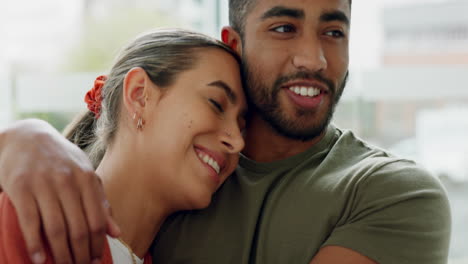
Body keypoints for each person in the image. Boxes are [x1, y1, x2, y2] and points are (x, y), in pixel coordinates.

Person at [0, 0, 451, 263]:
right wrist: (20, 139)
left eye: (334, 31)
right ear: (235, 45)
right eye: (283, 27)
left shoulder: (391, 193)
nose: (313, 59)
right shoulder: (37, 219)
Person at [0, 28, 247, 264]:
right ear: (139, 95)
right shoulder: (27, 220)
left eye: (242, 124)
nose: (237, 141)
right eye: (216, 103)